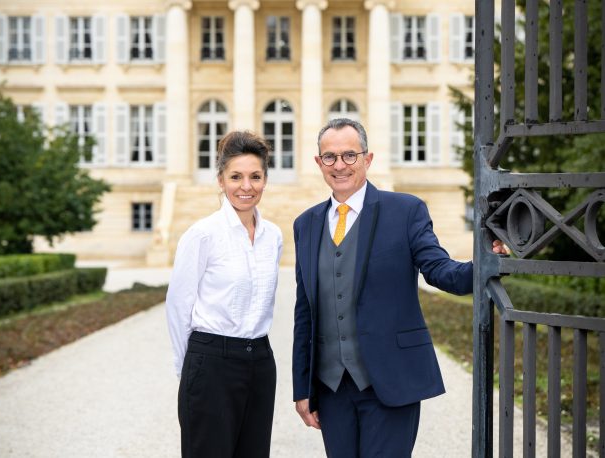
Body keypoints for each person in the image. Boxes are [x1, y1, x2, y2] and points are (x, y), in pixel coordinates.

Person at [291, 118, 507, 457]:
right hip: (331, 389)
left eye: (349, 155)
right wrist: (302, 388)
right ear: (319, 162)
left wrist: (487, 263)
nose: (340, 165)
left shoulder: (405, 210)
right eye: (330, 157)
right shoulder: (305, 224)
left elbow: (440, 271)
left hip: (391, 380)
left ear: (368, 159)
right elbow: (304, 311)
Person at [166, 130, 283, 458]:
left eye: (255, 176)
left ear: (265, 180)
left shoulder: (273, 236)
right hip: (211, 363)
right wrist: (191, 369)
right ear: (220, 180)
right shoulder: (202, 235)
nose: (246, 186)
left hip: (260, 362)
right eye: (236, 177)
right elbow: (178, 306)